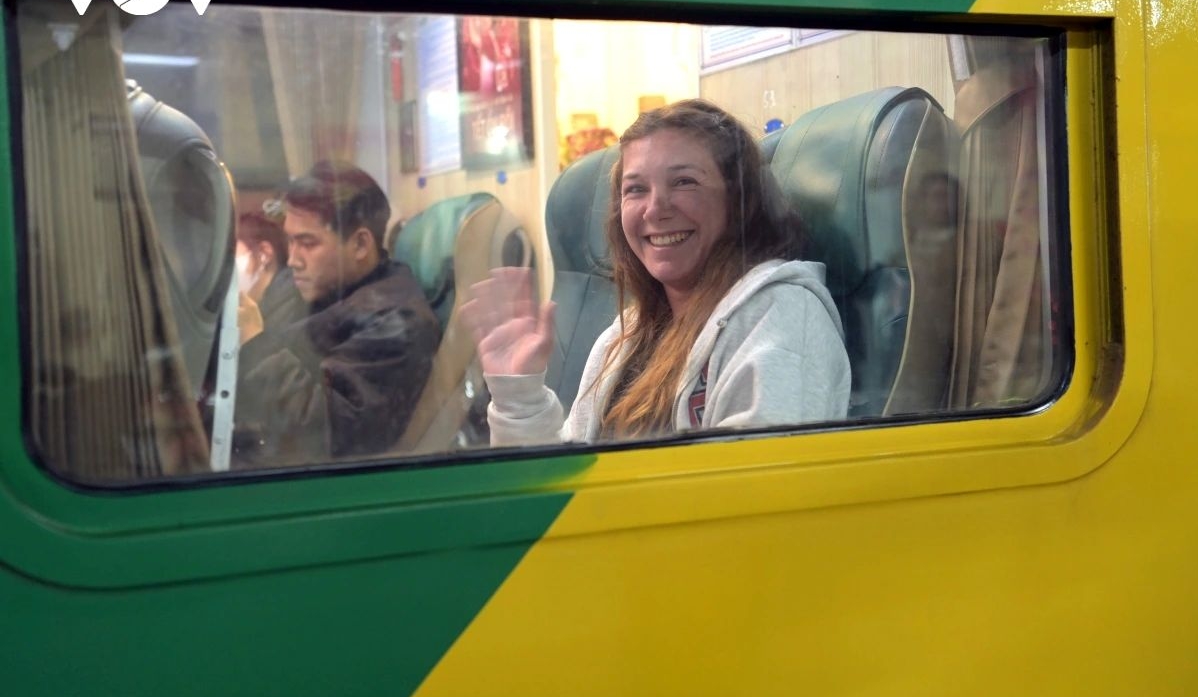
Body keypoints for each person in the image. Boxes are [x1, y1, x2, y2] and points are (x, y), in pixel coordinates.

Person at [463, 99, 850, 446]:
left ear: (738, 201)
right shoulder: (625, 335)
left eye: (684, 182)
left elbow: (753, 499)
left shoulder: (781, 313)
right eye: (635, 190)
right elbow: (565, 487)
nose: (655, 209)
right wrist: (520, 396)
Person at [232, 162, 440, 467]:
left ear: (359, 244)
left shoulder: (398, 323)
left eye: (307, 243)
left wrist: (254, 345)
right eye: (290, 241)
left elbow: (326, 433)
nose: (292, 260)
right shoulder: (319, 289)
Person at [235, 211, 306, 336]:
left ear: (264, 253)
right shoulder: (271, 304)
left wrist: (252, 335)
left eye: (230, 256)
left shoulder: (291, 308)